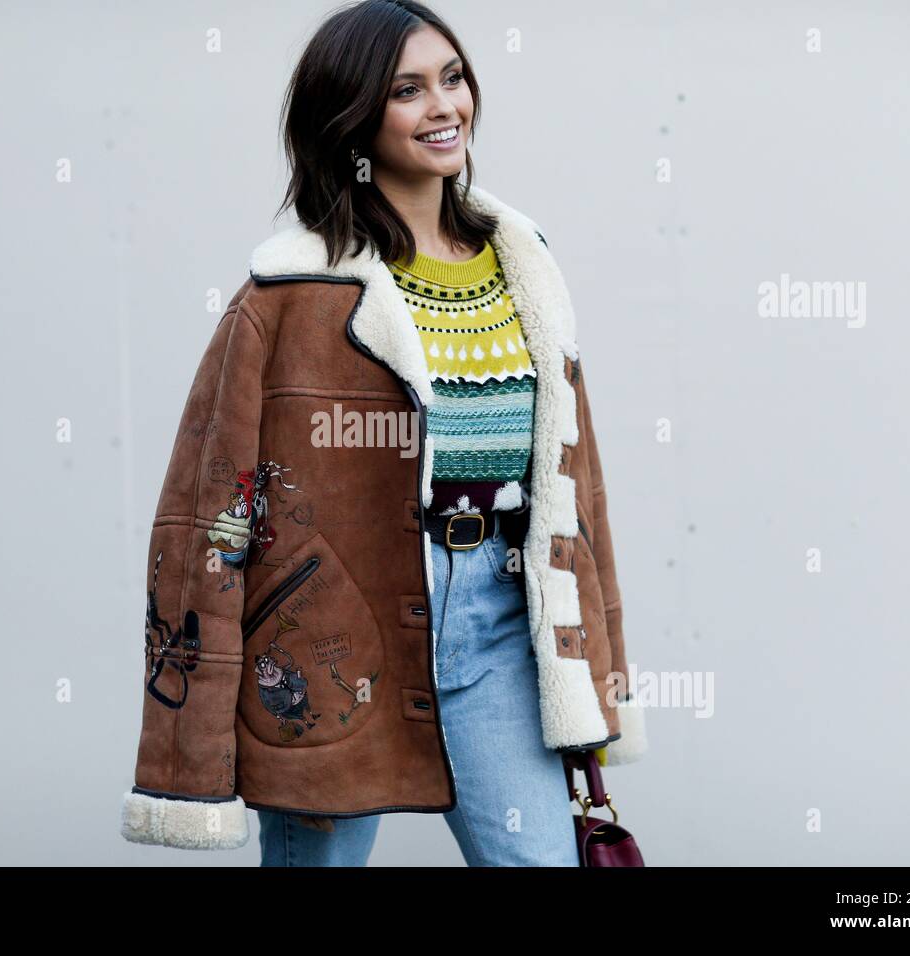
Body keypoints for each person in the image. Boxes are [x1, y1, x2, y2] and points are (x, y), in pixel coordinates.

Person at [120, 0, 648, 866]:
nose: (444, 106)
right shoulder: (288, 294)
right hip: (329, 631)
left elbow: (575, 488)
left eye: (453, 77)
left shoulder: (526, 269)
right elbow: (206, 515)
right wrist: (187, 744)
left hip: (500, 613)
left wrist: (595, 663)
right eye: (408, 90)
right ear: (352, 117)